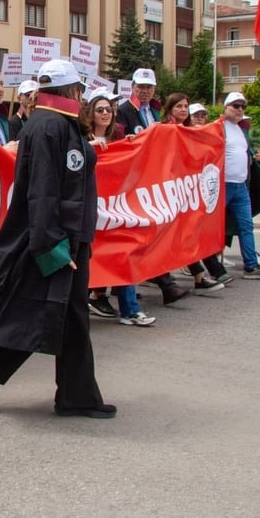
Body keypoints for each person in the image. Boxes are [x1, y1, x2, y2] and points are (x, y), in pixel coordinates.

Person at [0, 59, 116, 417]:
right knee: (45, 314)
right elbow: (44, 191)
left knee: (65, 316)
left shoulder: (57, 123)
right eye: (79, 90)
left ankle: (74, 395)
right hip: (55, 241)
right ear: (72, 91)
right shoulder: (50, 126)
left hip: (66, 236)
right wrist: (52, 247)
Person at [114, 69, 191, 305]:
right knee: (139, 235)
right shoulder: (125, 111)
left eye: (149, 87)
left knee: (151, 234)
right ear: (133, 87)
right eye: (141, 86)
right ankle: (163, 285)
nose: (145, 91)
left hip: (153, 178)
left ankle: (156, 284)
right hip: (132, 181)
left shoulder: (154, 111)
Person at [82, 88, 154, 327]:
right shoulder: (81, 138)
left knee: (123, 254)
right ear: (90, 113)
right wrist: (90, 146)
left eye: (109, 110)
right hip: (89, 209)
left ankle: (130, 310)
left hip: (113, 209)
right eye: (100, 109)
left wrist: (130, 148)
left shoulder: (118, 138)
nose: (106, 113)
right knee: (88, 262)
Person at [160, 92, 228, 292]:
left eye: (185, 106)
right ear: (170, 109)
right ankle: (192, 276)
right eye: (178, 106)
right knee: (177, 233)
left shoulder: (189, 130)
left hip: (188, 188)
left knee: (188, 231)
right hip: (170, 188)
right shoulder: (165, 129)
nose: (182, 110)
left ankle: (200, 276)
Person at [220, 92, 260, 280]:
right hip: (223, 186)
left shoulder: (241, 131)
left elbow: (247, 154)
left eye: (242, 107)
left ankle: (251, 266)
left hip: (240, 186)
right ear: (226, 107)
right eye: (235, 106)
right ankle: (207, 263)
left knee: (246, 226)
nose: (240, 110)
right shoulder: (218, 128)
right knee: (213, 226)